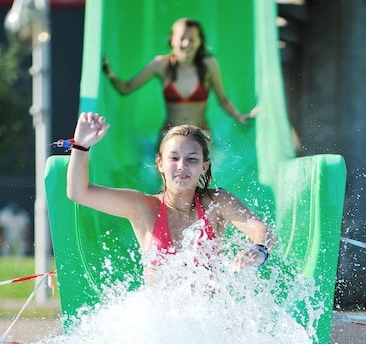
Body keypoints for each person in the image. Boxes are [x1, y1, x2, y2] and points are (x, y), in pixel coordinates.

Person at [66, 112, 275, 282]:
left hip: (210, 325)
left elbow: (261, 229)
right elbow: (79, 193)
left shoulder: (216, 203)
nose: (182, 166)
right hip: (165, 328)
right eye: (173, 158)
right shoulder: (143, 207)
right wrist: (81, 146)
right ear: (160, 164)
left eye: (191, 159)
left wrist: (258, 249)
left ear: (204, 167)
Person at [102, 18, 257, 139]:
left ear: (200, 41)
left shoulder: (209, 64)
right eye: (182, 38)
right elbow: (126, 88)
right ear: (172, 40)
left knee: (204, 176)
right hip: (170, 134)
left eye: (192, 38)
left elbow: (223, 100)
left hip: (201, 134)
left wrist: (239, 116)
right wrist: (110, 74)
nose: (186, 43)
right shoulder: (160, 65)